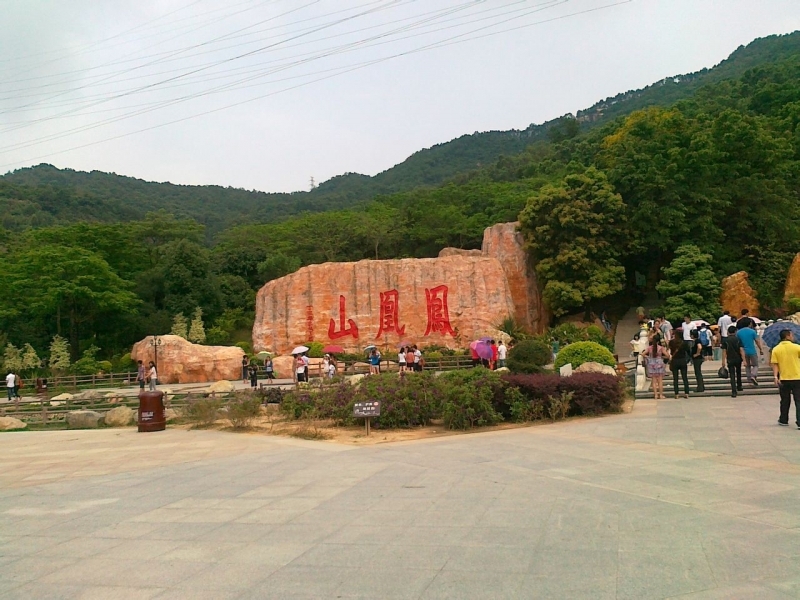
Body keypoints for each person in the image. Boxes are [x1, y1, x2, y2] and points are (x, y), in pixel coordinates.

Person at [770, 329, 800, 427]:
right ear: (787, 336)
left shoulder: (776, 349)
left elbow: (775, 364)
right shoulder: (797, 347)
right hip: (797, 377)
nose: (793, 336)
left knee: (785, 400)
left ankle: (783, 419)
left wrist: (775, 377)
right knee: (798, 400)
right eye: (792, 335)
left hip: (783, 378)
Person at [642, 334, 668, 400]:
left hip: (652, 363)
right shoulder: (661, 348)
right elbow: (667, 355)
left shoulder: (650, 348)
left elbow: (643, 354)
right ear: (658, 341)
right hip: (659, 363)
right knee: (660, 381)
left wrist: (648, 357)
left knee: (653, 381)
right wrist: (661, 357)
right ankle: (661, 395)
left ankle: (655, 395)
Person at [722, 325, 744, 397]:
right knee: (738, 372)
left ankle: (734, 391)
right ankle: (739, 386)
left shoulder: (725, 341)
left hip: (730, 359)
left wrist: (723, 361)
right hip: (738, 358)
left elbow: (724, 351)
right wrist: (744, 360)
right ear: (735, 332)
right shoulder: (738, 339)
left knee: (732, 375)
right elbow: (741, 350)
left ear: (728, 332)